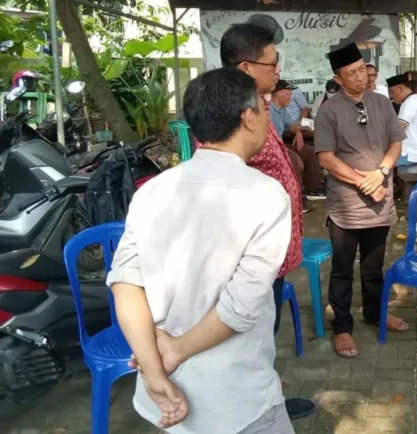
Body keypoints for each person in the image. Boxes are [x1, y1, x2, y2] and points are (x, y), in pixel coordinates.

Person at [110, 68, 294, 433]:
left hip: (165, 394)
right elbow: (240, 306)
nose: (266, 116)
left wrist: (153, 370)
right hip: (236, 400)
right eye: (263, 108)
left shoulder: (153, 190)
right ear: (247, 117)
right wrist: (174, 351)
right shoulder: (265, 194)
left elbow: (125, 283)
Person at [210, 22, 315, 419]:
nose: (278, 69)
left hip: (272, 252)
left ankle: (260, 391)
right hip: (249, 253)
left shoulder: (260, 105)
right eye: (272, 63)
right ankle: (252, 409)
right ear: (246, 67)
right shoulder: (228, 114)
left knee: (263, 331)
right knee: (248, 333)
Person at [314, 42, 409, 358]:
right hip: (346, 207)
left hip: (379, 201)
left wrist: (381, 172)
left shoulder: (382, 103)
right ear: (338, 78)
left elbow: (395, 143)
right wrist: (364, 182)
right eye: (351, 73)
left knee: (373, 267)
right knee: (342, 268)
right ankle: (342, 326)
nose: (360, 77)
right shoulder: (328, 110)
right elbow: (326, 158)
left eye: (362, 70)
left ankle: (375, 313)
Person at [271, 79, 326, 200]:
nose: (290, 98)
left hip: (282, 147)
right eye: (288, 94)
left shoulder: (282, 109)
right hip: (272, 149)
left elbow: (291, 124)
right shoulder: (269, 111)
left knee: (310, 152)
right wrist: (290, 152)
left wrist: (298, 132)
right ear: (279, 94)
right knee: (293, 158)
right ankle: (299, 197)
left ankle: (314, 190)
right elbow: (270, 141)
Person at [387, 73, 417, 166]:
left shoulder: (410, 103)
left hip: (408, 154)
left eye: (392, 92)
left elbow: (398, 131)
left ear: (400, 88)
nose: (391, 96)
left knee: (373, 162)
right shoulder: (413, 99)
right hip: (412, 153)